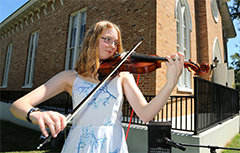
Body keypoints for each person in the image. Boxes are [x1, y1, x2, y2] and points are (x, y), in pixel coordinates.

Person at [10, 20, 184, 153]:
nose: (113, 47)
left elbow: (146, 114)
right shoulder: (70, 77)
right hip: (80, 144)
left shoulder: (122, 75)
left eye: (116, 42)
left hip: (112, 143)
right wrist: (36, 114)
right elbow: (17, 106)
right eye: (107, 39)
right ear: (92, 40)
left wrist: (170, 84)